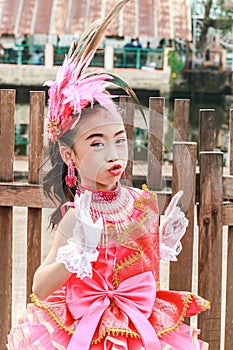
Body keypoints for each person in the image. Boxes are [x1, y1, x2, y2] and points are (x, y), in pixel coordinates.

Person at [7, 1, 210, 349]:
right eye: (97, 144)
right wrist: (78, 254)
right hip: (84, 329)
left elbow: (143, 268)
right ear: (70, 155)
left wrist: (162, 240)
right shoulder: (77, 216)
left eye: (120, 140)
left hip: (137, 325)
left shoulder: (142, 202)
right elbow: (40, 287)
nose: (114, 153)